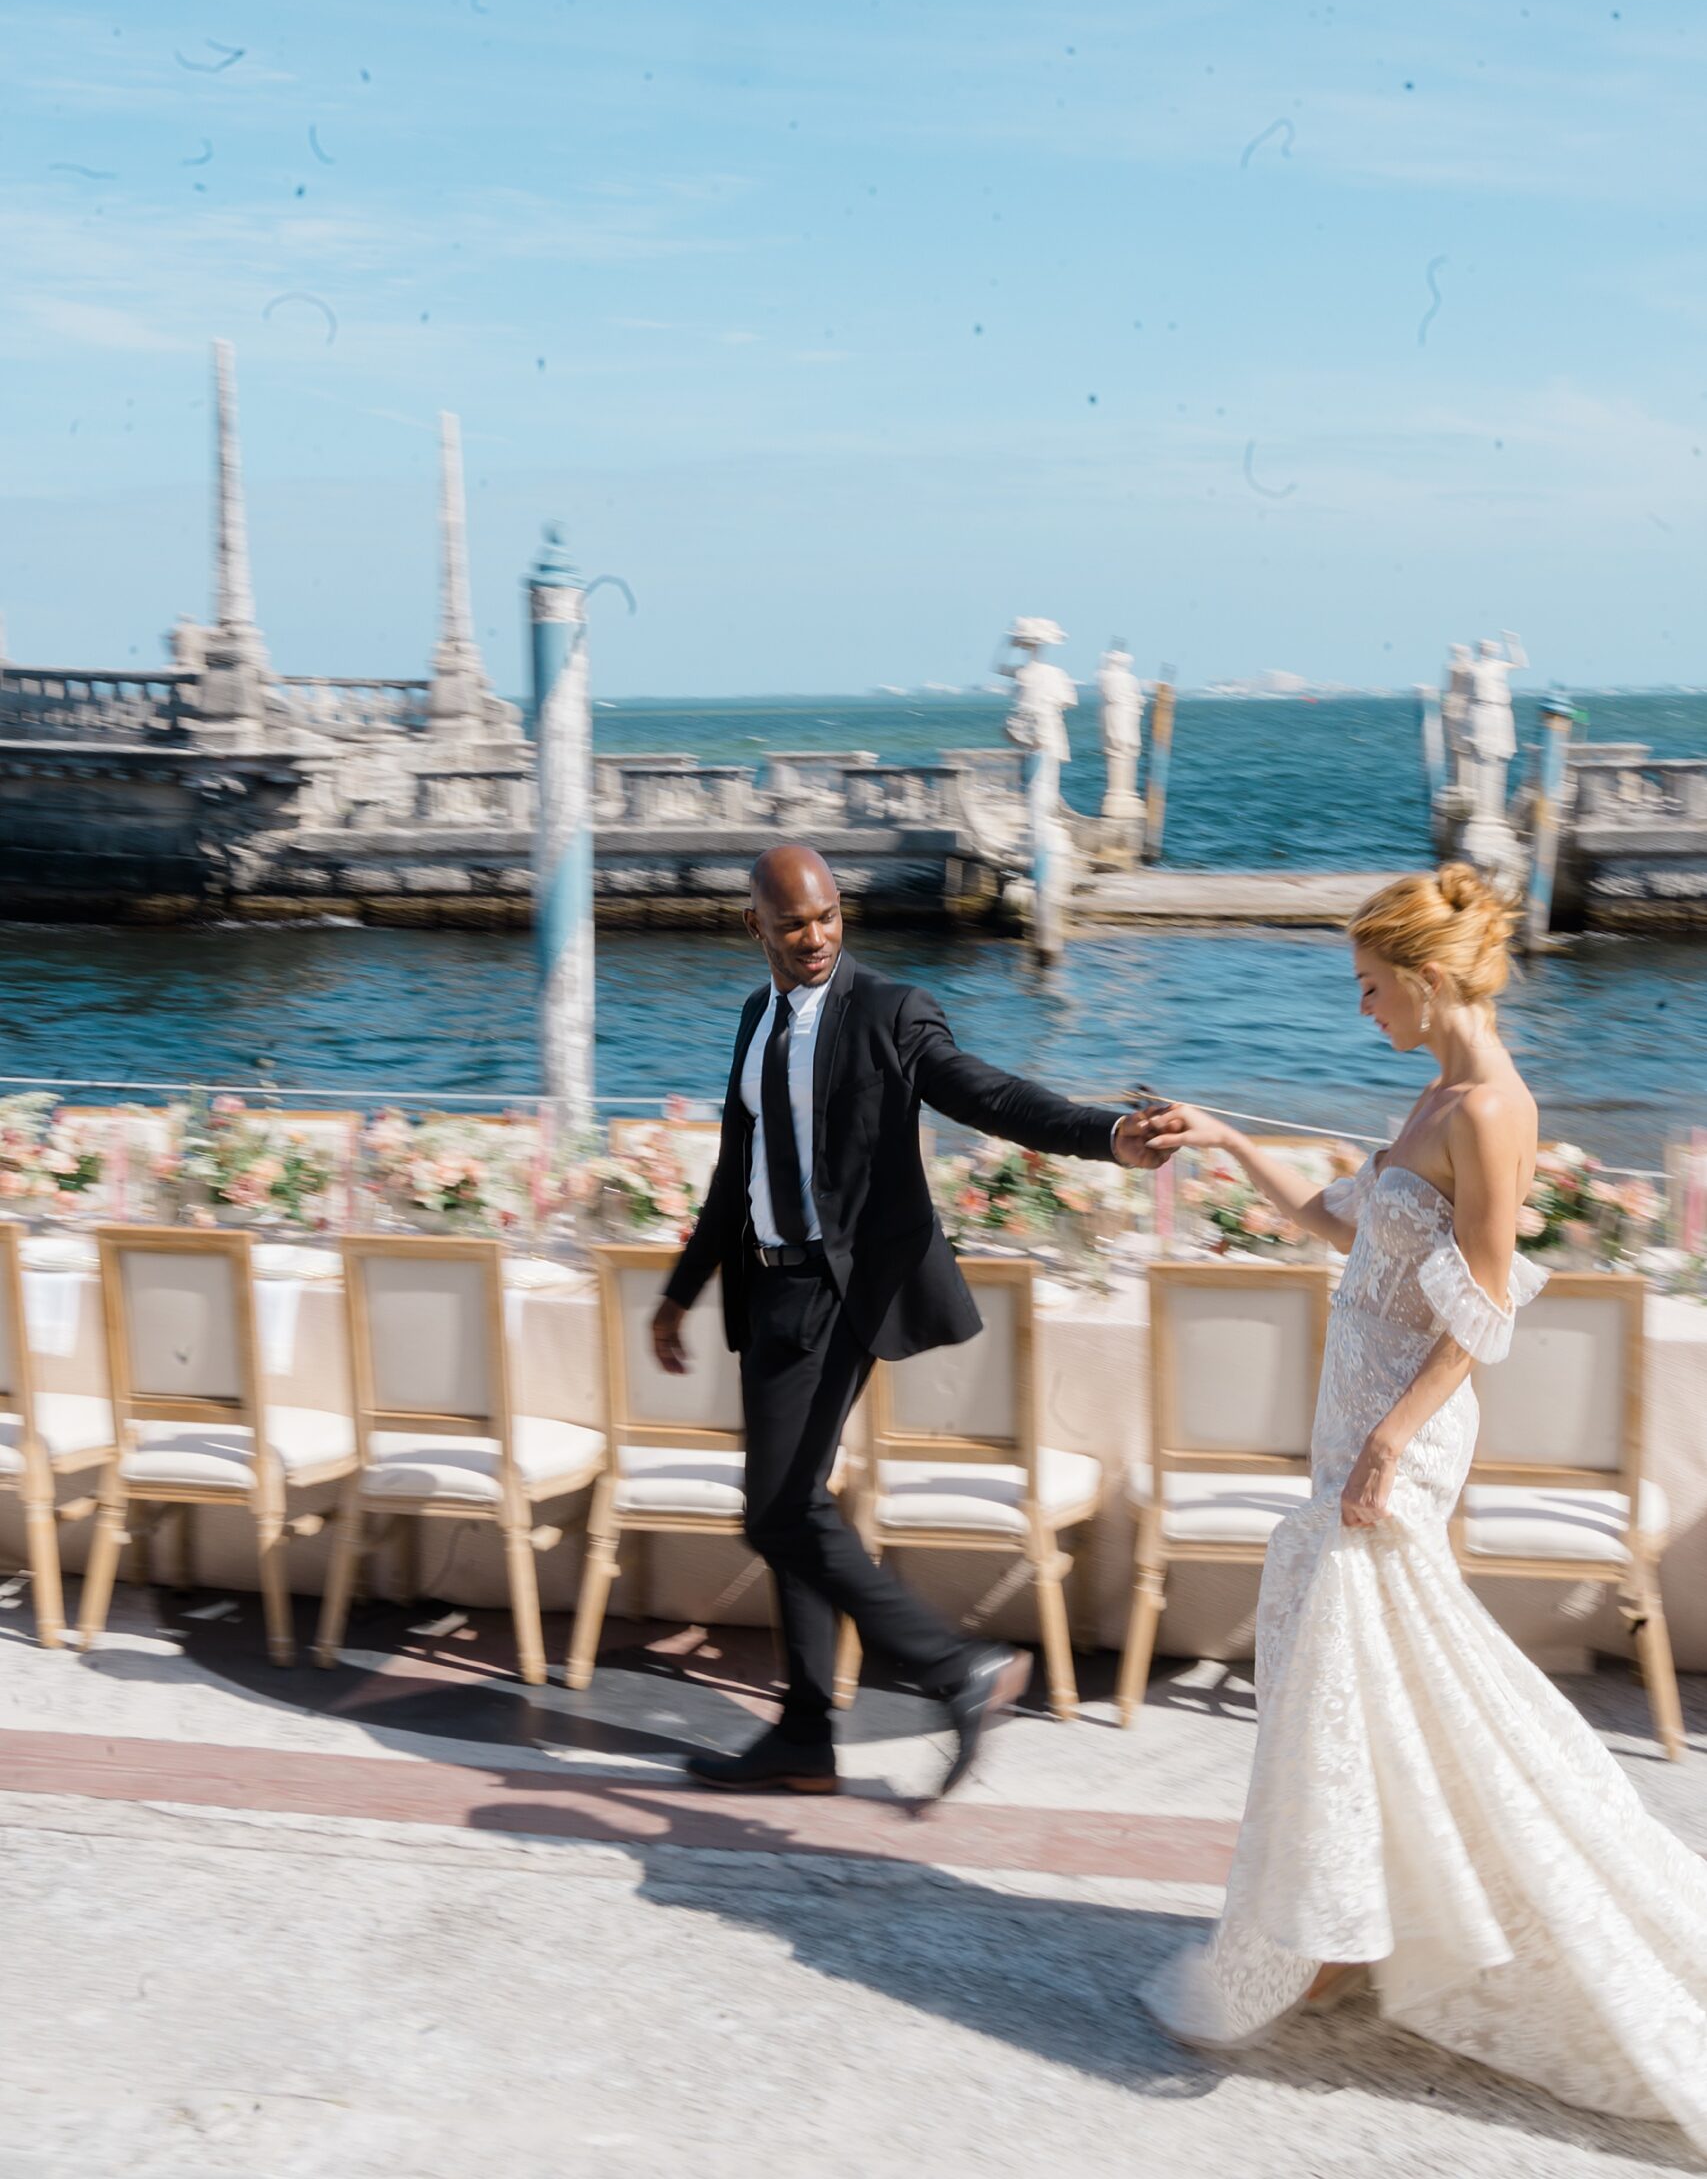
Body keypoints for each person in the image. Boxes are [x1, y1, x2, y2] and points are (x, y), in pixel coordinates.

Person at [1138, 862, 1707, 2151]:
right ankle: (1349, 1919)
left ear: (1430, 978)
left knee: (1375, 1660)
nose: (1361, 1008)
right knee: (1359, 1672)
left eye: (1371, 985)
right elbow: (1341, 1226)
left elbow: (1489, 1308)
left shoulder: (1494, 1108)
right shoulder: (1435, 1093)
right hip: (1362, 1427)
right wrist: (1225, 1134)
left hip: (1400, 1435)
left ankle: (1348, 1933)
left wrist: (1391, 1438)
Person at [651, 843, 1169, 1801]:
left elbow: (988, 1094)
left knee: (775, 1511)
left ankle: (954, 1669)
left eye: (827, 917)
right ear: (753, 926)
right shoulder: (755, 1018)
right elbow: (737, 1171)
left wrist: (1105, 1135)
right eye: (793, 922)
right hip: (764, 1290)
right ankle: (807, 1735)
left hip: (834, 1292)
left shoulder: (889, 1011)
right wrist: (682, 1290)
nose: (814, 938)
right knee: (793, 1507)